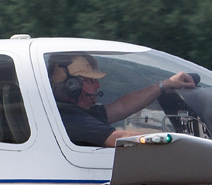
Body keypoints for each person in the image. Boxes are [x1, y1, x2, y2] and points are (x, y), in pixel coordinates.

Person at [48, 53, 196, 147]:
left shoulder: (78, 112)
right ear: (72, 86)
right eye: (91, 80)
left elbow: (121, 106)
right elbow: (118, 138)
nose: (97, 85)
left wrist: (164, 85)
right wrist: (180, 142)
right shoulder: (68, 117)